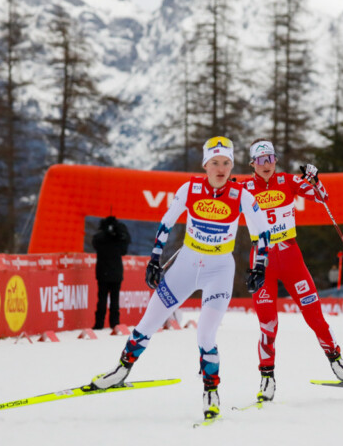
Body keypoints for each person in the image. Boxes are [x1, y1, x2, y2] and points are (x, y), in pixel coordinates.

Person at [88, 136, 271, 421]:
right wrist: (154, 259)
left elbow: (263, 231)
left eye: (226, 163)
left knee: (205, 335)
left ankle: (211, 392)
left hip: (219, 271)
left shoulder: (242, 196)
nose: (221, 169)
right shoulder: (190, 189)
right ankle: (120, 371)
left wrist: (260, 266)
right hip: (185, 266)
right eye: (215, 162)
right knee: (147, 323)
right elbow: (166, 222)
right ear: (205, 165)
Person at [242, 138, 343, 403]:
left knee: (315, 316)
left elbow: (322, 197)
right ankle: (267, 376)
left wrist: (315, 179)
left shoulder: (288, 181)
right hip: (262, 263)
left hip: (291, 259)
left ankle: (337, 361)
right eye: (260, 160)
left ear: (275, 160)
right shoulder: (243, 188)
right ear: (252, 163)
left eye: (270, 158)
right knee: (268, 324)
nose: (266, 164)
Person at [92, 216, 131, 330]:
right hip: (115, 272)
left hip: (103, 272)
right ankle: (114, 323)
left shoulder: (100, 238)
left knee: (102, 299)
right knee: (114, 300)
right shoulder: (119, 238)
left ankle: (99, 323)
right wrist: (116, 233)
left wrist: (107, 233)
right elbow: (124, 250)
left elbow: (95, 243)